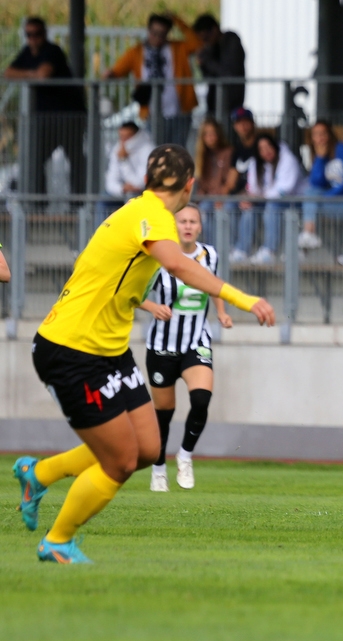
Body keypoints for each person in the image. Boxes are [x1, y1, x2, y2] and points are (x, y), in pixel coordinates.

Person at [12, 144, 274, 563]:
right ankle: (56, 541)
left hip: (109, 351)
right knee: (119, 462)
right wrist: (242, 298)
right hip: (71, 349)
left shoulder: (142, 211)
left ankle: (38, 473)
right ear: (189, 184)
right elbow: (179, 266)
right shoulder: (150, 216)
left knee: (149, 449)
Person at [140, 204, 232, 492]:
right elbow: (131, 293)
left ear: (200, 227)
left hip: (196, 340)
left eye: (193, 221)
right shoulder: (157, 259)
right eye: (183, 221)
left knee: (202, 400)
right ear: (173, 225)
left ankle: (185, 455)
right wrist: (153, 306)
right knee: (164, 413)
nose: (188, 226)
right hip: (162, 345)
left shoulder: (210, 255)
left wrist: (221, 311)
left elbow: (214, 286)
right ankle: (158, 468)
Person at [4, 16, 87, 195]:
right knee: (36, 159)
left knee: (75, 159)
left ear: (44, 34)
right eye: (29, 34)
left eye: (37, 34)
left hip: (69, 117)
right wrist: (32, 72)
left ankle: (79, 203)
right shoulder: (27, 52)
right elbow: (9, 72)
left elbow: (44, 74)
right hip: (46, 119)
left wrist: (29, 74)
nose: (33, 39)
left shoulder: (52, 51)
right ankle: (38, 203)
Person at [104, 13, 200, 147]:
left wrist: (177, 20)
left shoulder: (178, 48)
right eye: (154, 33)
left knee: (178, 151)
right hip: (152, 113)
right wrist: (110, 74)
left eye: (162, 34)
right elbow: (118, 70)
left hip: (179, 112)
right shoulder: (137, 51)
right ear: (148, 30)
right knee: (155, 151)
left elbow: (196, 43)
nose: (157, 38)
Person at [231, 134, 305, 264]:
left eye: (268, 146)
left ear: (274, 146)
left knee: (272, 207)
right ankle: (241, 250)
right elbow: (254, 189)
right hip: (268, 200)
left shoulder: (288, 159)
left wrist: (257, 197)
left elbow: (284, 191)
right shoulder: (257, 163)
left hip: (294, 201)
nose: (266, 151)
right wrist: (248, 198)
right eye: (261, 149)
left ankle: (270, 251)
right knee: (249, 208)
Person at [300, 120, 343, 251]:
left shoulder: (342, 150)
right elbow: (316, 183)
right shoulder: (319, 156)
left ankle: (307, 241)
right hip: (333, 201)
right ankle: (309, 235)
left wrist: (328, 196)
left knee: (312, 202)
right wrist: (320, 159)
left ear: (330, 134)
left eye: (323, 133)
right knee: (310, 193)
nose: (320, 138)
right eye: (316, 134)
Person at [192, 13, 246, 116]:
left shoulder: (231, 42)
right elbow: (207, 77)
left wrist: (206, 60)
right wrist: (202, 63)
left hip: (231, 102)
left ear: (214, 29)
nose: (205, 42)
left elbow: (229, 73)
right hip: (213, 102)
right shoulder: (210, 48)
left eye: (206, 38)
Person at [100, 122, 155, 222]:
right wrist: (122, 189)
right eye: (121, 137)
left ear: (135, 136)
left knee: (133, 199)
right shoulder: (117, 149)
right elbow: (110, 181)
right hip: (122, 192)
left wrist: (124, 161)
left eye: (127, 137)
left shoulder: (148, 149)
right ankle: (100, 235)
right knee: (103, 200)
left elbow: (140, 183)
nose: (123, 141)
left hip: (144, 193)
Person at [193, 117, 236, 244]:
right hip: (208, 198)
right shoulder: (201, 156)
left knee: (226, 211)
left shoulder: (229, 152)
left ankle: (228, 246)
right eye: (206, 134)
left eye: (213, 133)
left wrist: (221, 196)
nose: (210, 137)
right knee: (204, 209)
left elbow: (229, 181)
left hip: (225, 196)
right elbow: (201, 184)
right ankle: (211, 245)